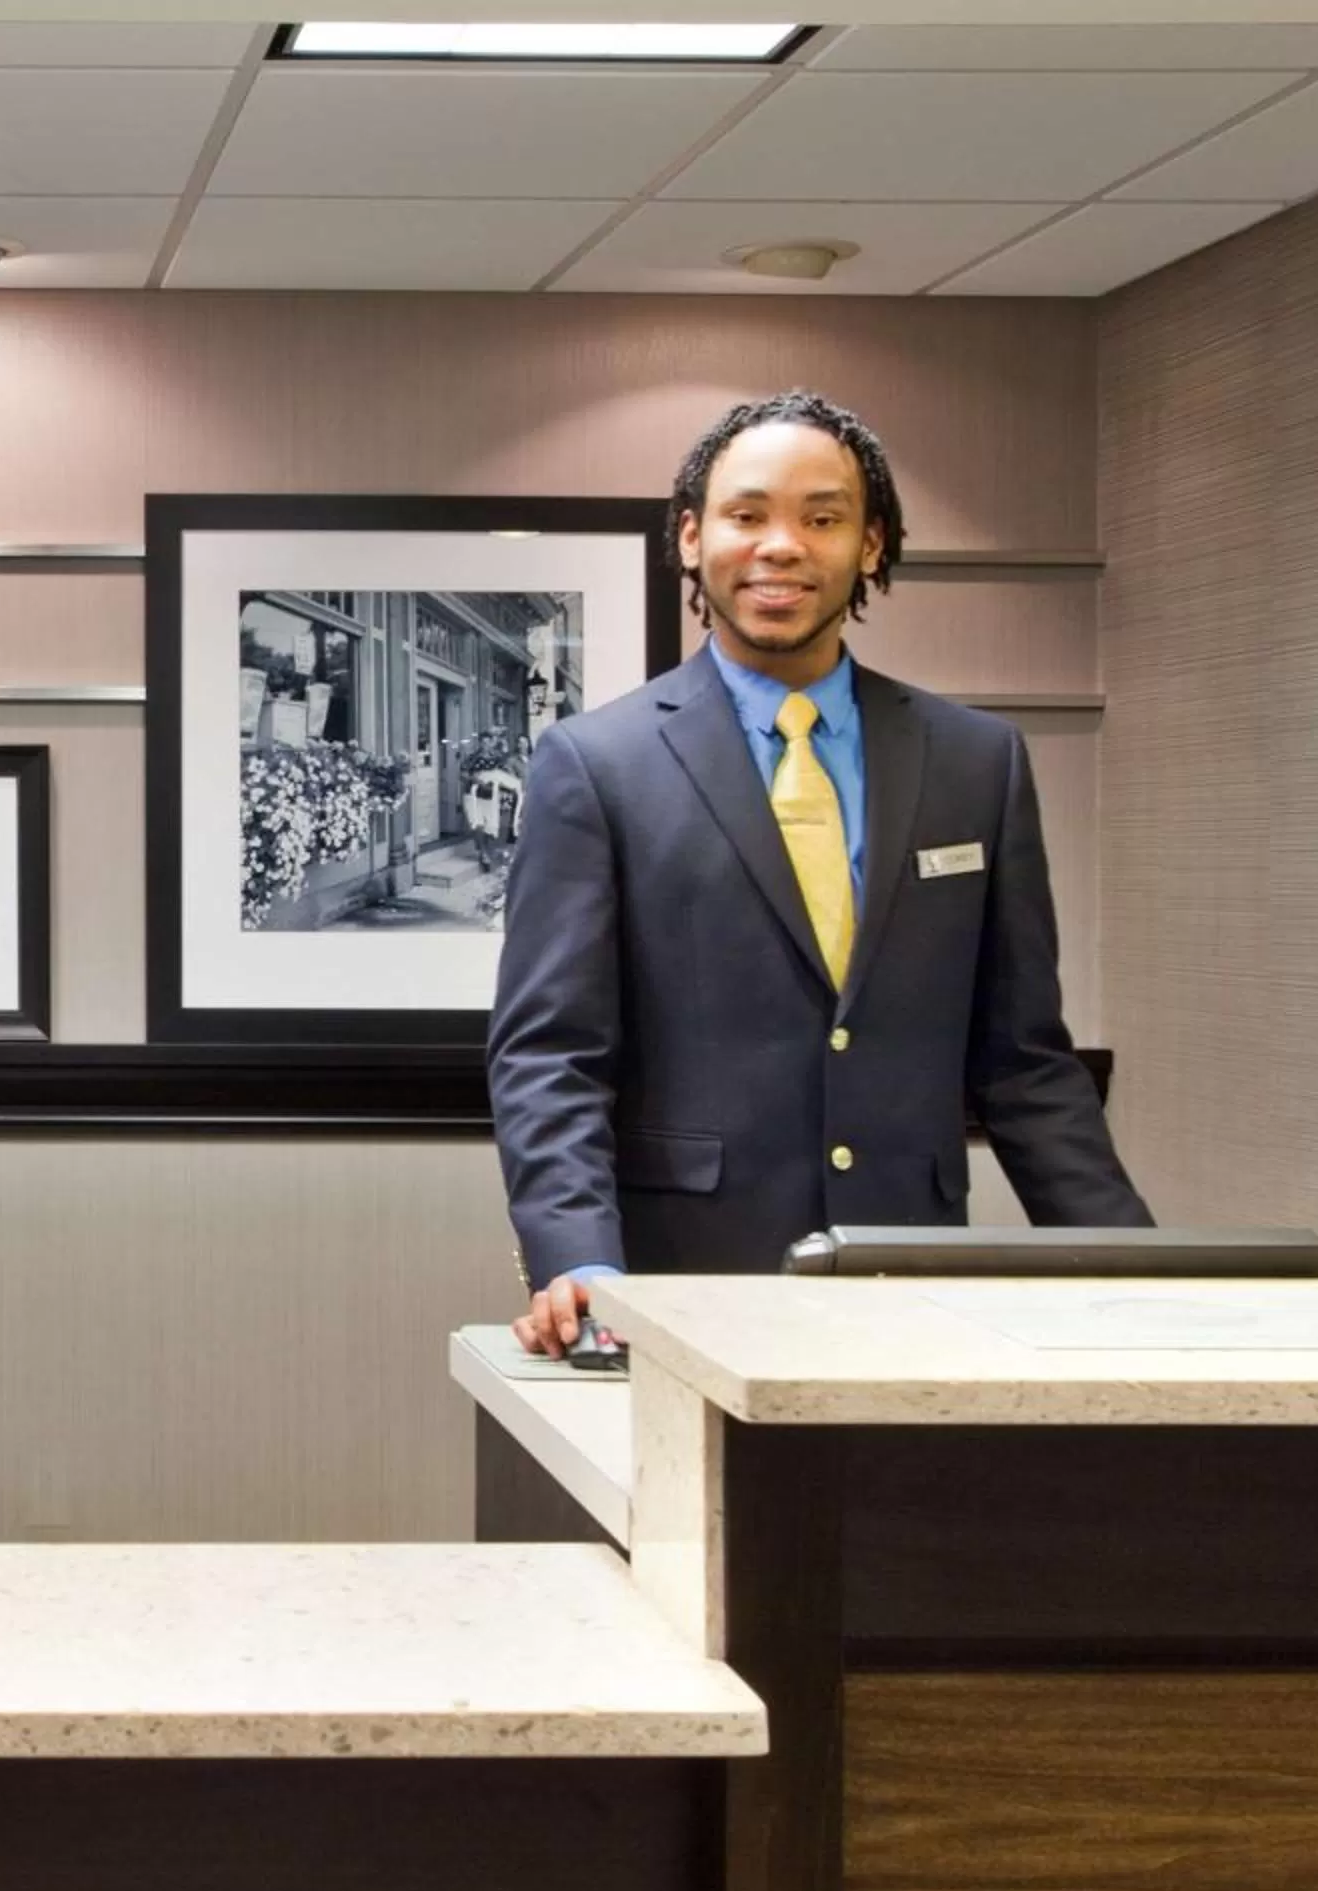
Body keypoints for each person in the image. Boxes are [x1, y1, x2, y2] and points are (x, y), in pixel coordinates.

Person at [487, 390, 1148, 1356]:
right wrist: (579, 1262)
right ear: (690, 538)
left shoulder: (976, 762)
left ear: (872, 544)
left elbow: (1024, 1063)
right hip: (679, 1287)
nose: (782, 545)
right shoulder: (596, 765)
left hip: (908, 1278)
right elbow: (551, 1055)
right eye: (747, 515)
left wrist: (1137, 1264)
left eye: (823, 517)